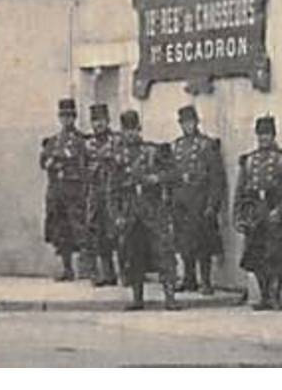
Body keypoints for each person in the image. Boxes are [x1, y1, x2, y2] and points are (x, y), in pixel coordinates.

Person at [111, 109, 179, 311]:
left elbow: (174, 173)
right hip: (131, 212)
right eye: (127, 130)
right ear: (122, 132)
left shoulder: (153, 151)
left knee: (164, 253)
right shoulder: (117, 157)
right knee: (134, 255)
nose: (130, 134)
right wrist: (116, 215)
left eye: (134, 130)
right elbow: (111, 190)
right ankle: (137, 298)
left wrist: (157, 178)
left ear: (139, 130)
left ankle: (170, 297)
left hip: (153, 210)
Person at [234, 115, 282, 310]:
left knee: (277, 255)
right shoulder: (249, 160)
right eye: (261, 135)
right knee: (256, 255)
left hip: (275, 208)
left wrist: (281, 209)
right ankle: (263, 296)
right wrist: (239, 214)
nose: (264, 138)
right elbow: (240, 189)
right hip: (255, 211)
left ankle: (275, 296)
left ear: (274, 135)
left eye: (268, 134)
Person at [170, 105, 225, 294]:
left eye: (191, 122)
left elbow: (217, 178)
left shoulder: (206, 145)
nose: (188, 126)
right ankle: (189, 278)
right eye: (184, 123)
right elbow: (171, 175)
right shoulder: (176, 146)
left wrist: (212, 204)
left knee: (204, 243)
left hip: (200, 201)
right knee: (184, 243)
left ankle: (206, 281)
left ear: (196, 122)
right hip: (181, 202)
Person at [40, 97, 90, 281]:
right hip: (56, 192)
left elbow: (83, 165)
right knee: (60, 230)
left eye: (69, 116)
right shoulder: (52, 141)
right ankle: (67, 269)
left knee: (80, 228)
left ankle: (88, 268)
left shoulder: (81, 140)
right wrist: (53, 160)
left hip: (74, 192)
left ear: (75, 118)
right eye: (63, 116)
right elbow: (44, 162)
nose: (66, 120)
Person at [82, 103, 122, 286]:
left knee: (118, 232)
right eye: (95, 121)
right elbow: (82, 168)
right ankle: (106, 272)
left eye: (101, 120)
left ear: (108, 121)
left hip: (114, 192)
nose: (98, 124)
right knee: (98, 233)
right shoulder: (88, 144)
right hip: (95, 192)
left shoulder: (116, 141)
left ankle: (126, 272)